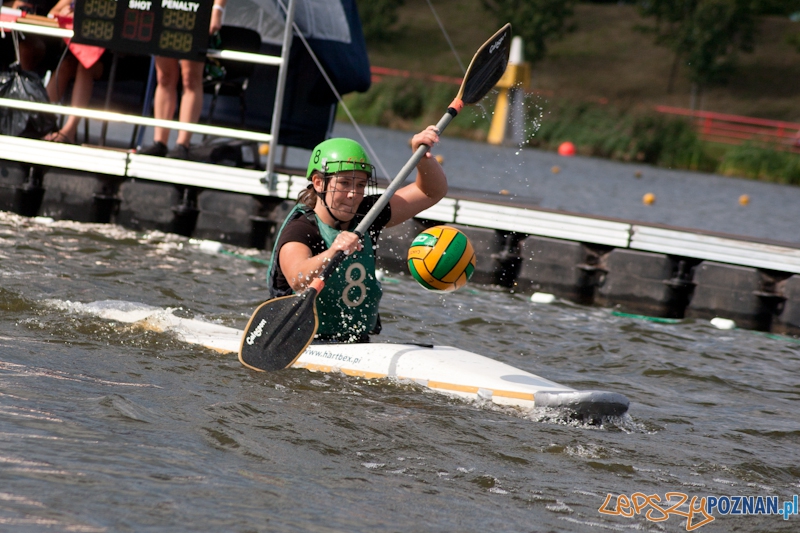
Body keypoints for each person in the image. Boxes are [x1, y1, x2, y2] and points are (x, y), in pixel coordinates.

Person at [267, 126, 447, 344]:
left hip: (356, 342)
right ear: (319, 183)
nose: (353, 194)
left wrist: (422, 157)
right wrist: (332, 251)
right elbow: (298, 280)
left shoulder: (367, 214)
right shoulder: (301, 228)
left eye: (361, 185)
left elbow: (431, 192)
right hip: (298, 340)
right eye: (344, 183)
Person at [138, 0, 227, 159]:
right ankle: (160, 142)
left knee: (190, 79)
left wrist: (217, 10)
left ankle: (183, 144)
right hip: (165, 8)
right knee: (164, 77)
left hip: (197, 9)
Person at [43, 0, 104, 144]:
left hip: (111, 58)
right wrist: (65, 10)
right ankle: (38, 122)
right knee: (65, 65)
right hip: (77, 53)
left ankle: (69, 130)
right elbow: (52, 13)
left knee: (85, 67)